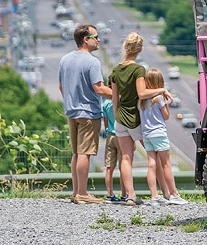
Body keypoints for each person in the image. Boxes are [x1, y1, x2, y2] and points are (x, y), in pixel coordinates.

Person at [108, 32, 170, 207]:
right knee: (154, 155)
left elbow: (115, 99)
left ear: (125, 48)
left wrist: (116, 117)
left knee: (126, 158)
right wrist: (161, 90)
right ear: (140, 49)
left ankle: (130, 196)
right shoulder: (138, 70)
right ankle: (164, 193)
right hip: (135, 119)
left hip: (120, 118)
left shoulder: (116, 70)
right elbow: (142, 93)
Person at [58, 24, 112, 204]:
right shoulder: (92, 61)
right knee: (85, 153)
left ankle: (76, 191)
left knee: (76, 153)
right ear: (85, 39)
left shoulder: (65, 59)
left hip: (71, 112)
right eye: (95, 37)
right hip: (88, 113)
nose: (98, 40)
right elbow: (99, 88)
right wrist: (120, 95)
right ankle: (82, 193)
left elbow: (61, 87)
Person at [141, 68, 187, 205]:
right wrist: (166, 102)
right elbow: (166, 116)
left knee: (151, 165)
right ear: (159, 82)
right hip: (159, 133)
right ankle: (174, 194)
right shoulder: (159, 98)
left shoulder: (142, 100)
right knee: (166, 164)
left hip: (146, 134)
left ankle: (154, 196)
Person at [101, 97, 123, 203]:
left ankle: (110, 194)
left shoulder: (106, 103)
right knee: (123, 166)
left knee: (109, 167)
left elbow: (105, 122)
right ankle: (124, 194)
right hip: (121, 136)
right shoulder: (120, 102)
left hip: (110, 136)